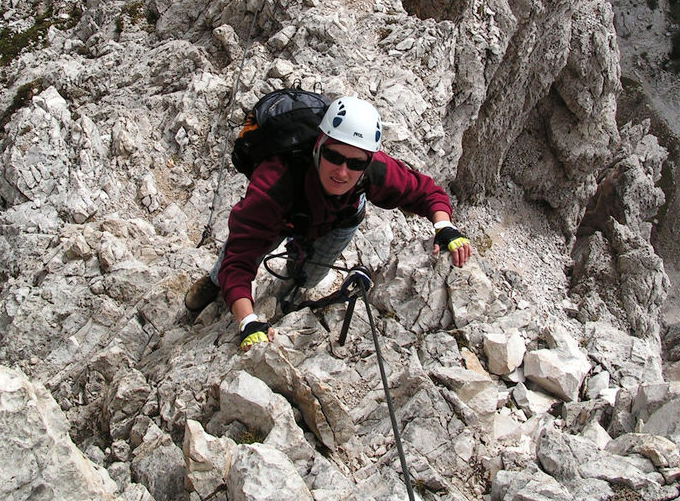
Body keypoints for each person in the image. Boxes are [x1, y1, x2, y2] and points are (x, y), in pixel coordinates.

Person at [184, 96, 472, 347]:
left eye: (355, 164)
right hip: (280, 217)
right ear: (318, 148)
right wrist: (248, 321)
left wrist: (444, 226)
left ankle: (292, 287)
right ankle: (214, 283)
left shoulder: (375, 170)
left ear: (367, 163)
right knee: (228, 268)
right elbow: (240, 257)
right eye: (333, 156)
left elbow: (425, 192)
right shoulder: (274, 183)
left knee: (309, 278)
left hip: (338, 221)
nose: (343, 172)